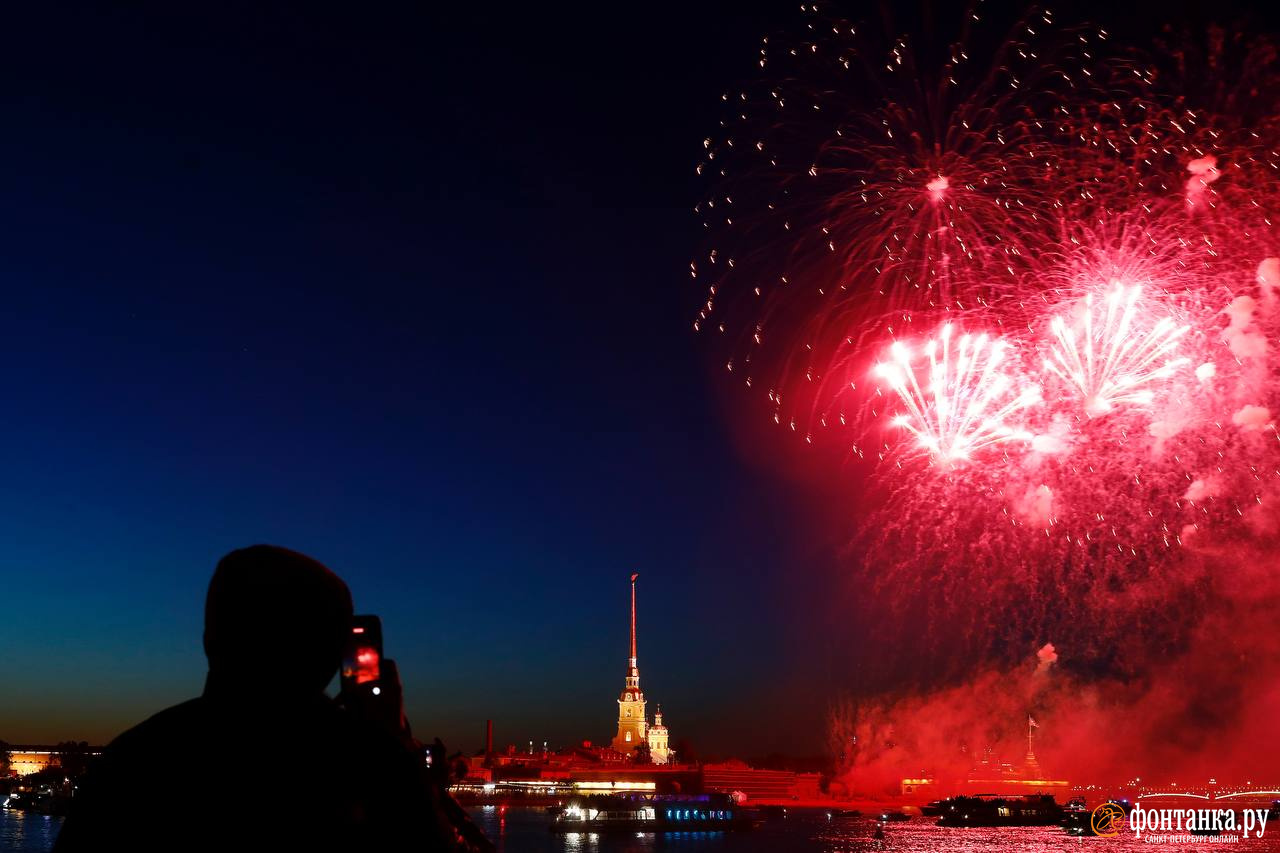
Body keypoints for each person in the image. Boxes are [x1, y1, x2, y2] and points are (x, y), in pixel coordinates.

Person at [54, 545, 489, 852]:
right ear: (331, 654)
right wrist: (397, 750)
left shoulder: (136, 757)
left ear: (209, 638)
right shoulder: (366, 760)